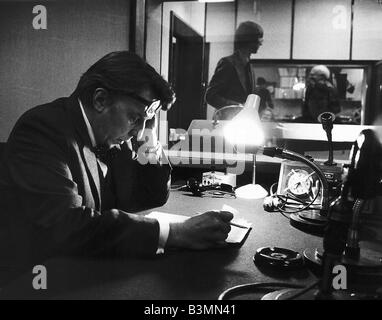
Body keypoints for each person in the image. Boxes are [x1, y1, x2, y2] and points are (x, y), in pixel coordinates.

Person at [0, 51, 233, 273]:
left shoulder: (117, 135)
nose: (138, 131)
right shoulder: (42, 130)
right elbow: (67, 225)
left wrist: (148, 136)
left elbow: (150, 196)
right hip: (38, 278)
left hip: (90, 266)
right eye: (134, 117)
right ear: (100, 100)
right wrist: (175, 233)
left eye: (146, 120)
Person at [205, 21, 264, 118]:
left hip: (243, 122)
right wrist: (238, 106)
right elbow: (210, 96)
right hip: (226, 122)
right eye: (259, 39)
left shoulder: (249, 66)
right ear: (249, 40)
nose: (260, 44)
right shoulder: (228, 63)